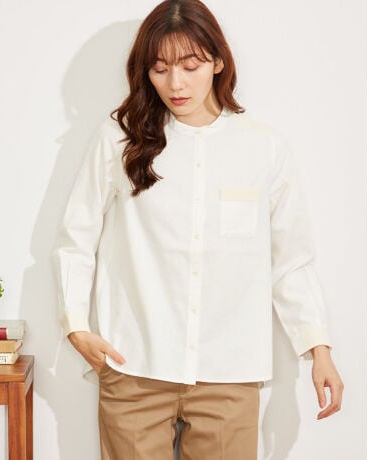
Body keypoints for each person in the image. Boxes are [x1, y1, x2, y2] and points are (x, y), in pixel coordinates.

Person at [52, 0, 344, 458]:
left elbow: (290, 260)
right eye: (160, 69)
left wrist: (318, 348)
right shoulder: (120, 139)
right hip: (134, 367)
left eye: (190, 66)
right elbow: (76, 237)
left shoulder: (264, 148)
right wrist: (75, 325)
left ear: (218, 62)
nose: (175, 84)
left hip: (229, 373)